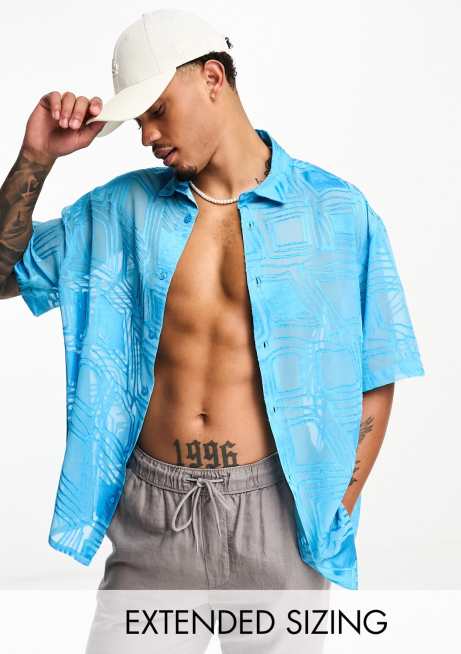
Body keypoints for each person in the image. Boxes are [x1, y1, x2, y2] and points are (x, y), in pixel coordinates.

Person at [0, 8, 424, 600]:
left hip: (279, 520)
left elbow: (378, 369)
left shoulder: (336, 212)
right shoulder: (121, 212)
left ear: (212, 78)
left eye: (157, 111)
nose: (147, 136)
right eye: (139, 120)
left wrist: (338, 506)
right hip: (153, 518)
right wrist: (35, 158)